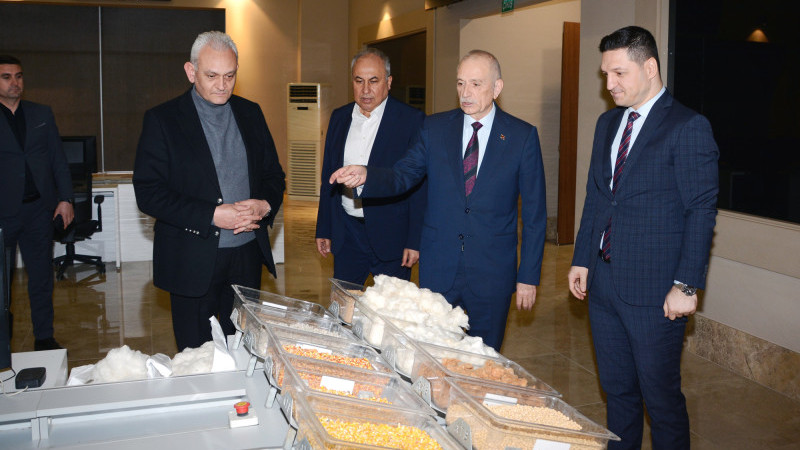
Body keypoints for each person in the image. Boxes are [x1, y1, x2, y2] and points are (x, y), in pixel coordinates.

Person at [330, 50, 546, 351]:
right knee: (433, 355)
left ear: (497, 88)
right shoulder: (435, 128)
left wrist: (528, 277)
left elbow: (535, 216)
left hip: (491, 272)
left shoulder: (521, 137)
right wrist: (368, 175)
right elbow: (403, 175)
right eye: (460, 83)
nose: (465, 93)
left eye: (476, 84)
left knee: (485, 357)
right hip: (439, 268)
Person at [567, 26, 718, 449]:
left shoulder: (688, 126)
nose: (609, 84)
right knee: (618, 393)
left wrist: (686, 285)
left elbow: (701, 210)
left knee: (661, 401)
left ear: (649, 68)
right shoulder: (607, 122)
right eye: (605, 74)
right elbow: (598, 196)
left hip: (655, 293)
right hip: (604, 285)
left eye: (619, 73)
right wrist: (582, 258)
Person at [133, 31, 285, 352]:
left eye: (230, 76)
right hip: (191, 259)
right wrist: (212, 215)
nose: (222, 85)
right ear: (191, 72)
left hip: (245, 257)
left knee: (245, 351)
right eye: (212, 75)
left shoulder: (251, 113)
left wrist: (264, 205)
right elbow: (149, 193)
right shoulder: (163, 120)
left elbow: (274, 176)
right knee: (196, 357)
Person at [315, 48, 425, 285]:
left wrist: (414, 240)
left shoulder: (411, 120)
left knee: (390, 306)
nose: (365, 90)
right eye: (359, 81)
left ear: (389, 82)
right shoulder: (339, 117)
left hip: (392, 237)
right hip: (347, 234)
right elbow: (328, 177)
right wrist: (324, 227)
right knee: (344, 303)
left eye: (373, 81)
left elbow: (419, 186)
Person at [0, 55, 73, 351]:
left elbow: (58, 160)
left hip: (38, 211)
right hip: (4, 214)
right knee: (2, 284)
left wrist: (66, 199)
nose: (14, 82)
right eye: (6, 77)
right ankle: (3, 341)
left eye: (18, 76)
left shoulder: (41, 113)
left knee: (41, 279)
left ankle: (44, 337)